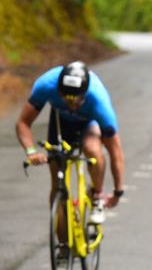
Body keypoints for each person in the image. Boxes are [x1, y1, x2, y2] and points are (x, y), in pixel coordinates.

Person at [14, 61, 125, 225]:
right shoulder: (46, 85)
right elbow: (23, 122)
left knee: (92, 149)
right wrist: (31, 151)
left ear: (85, 94)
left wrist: (118, 191)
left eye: (77, 100)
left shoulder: (98, 101)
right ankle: (62, 239)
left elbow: (115, 151)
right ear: (58, 91)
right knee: (57, 177)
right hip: (60, 121)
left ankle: (96, 197)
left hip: (89, 122)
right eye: (67, 99)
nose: (72, 105)